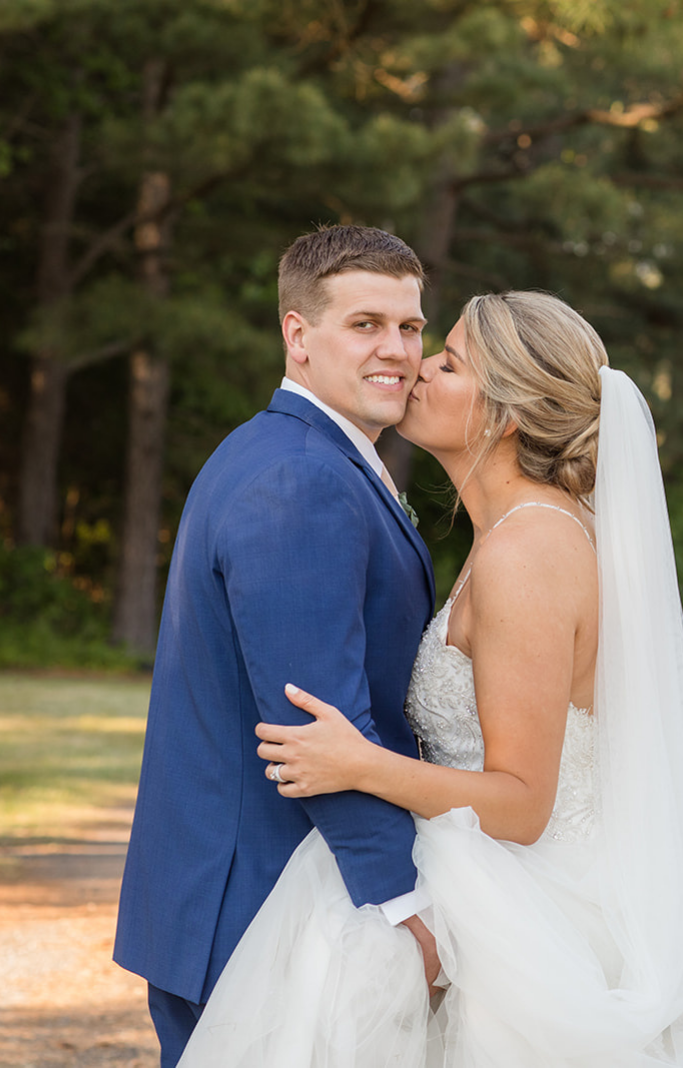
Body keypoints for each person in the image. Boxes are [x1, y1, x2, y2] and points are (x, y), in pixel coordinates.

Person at [176, 291, 683, 1066]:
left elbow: (523, 803)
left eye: (449, 361)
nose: (417, 368)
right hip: (490, 879)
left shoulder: (528, 553)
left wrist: (365, 765)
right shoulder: (509, 536)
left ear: (504, 414)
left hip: (522, 912)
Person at [113, 225, 442, 1067]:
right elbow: (315, 726)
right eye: (365, 324)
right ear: (299, 336)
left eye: (409, 327)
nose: (398, 350)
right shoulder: (302, 477)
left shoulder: (296, 452)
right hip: (259, 902)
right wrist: (397, 904)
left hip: (240, 889)